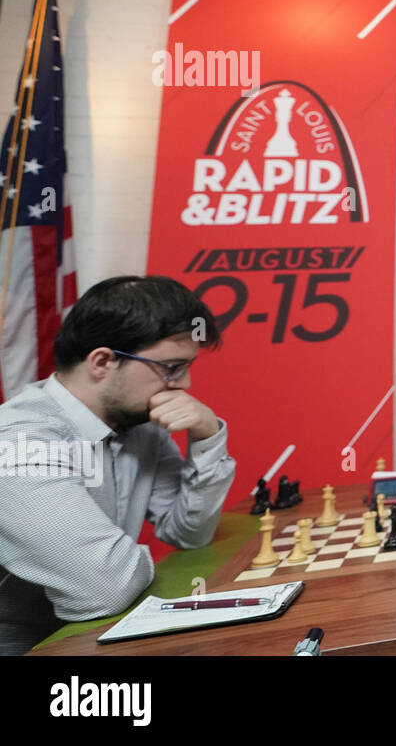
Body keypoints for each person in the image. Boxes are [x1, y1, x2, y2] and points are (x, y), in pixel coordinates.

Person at [0, 275, 235, 654]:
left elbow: (189, 534)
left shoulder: (139, 425)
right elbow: (101, 588)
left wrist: (207, 437)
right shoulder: (19, 440)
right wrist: (124, 562)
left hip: (96, 634)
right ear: (103, 361)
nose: (185, 384)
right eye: (172, 367)